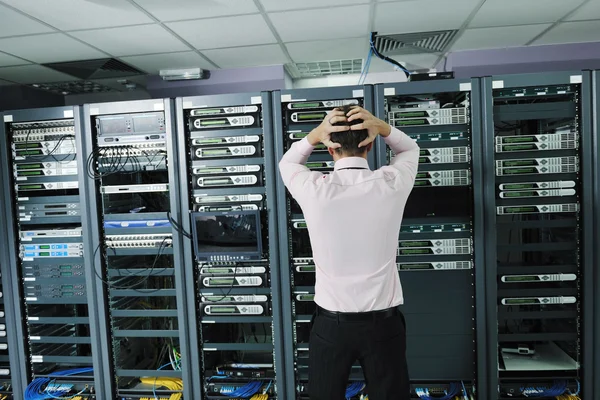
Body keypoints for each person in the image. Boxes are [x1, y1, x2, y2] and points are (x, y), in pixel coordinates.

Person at [278, 105, 419, 400]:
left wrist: (316, 134)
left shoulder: (315, 188)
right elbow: (410, 150)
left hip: (332, 326)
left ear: (331, 149)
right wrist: (383, 127)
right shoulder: (391, 183)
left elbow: (288, 163)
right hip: (384, 325)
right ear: (369, 144)